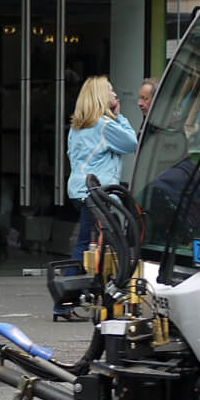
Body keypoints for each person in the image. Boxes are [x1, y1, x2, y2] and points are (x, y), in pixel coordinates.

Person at [57, 75, 136, 321]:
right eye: (111, 91)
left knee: (92, 245)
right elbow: (131, 143)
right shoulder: (104, 125)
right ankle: (65, 301)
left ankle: (88, 297)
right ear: (102, 96)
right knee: (91, 246)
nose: (115, 95)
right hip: (97, 195)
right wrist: (120, 115)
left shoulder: (78, 127)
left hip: (79, 191)